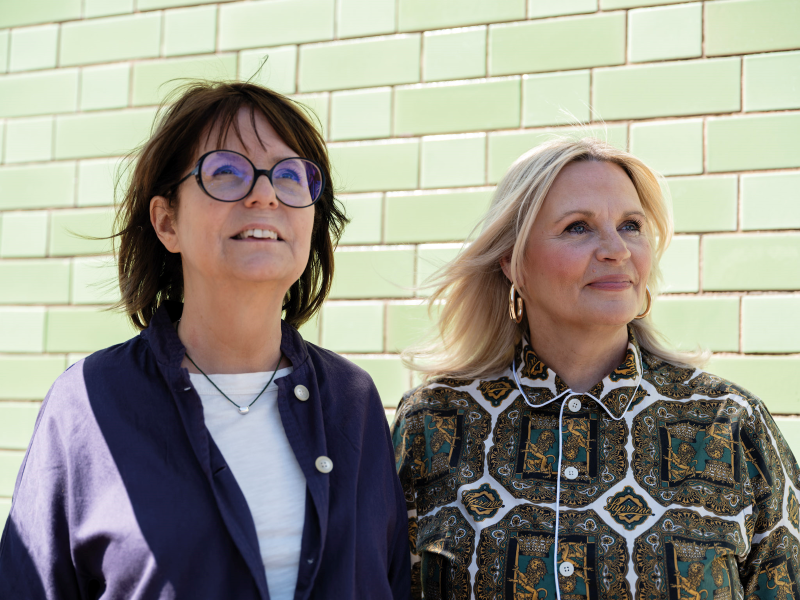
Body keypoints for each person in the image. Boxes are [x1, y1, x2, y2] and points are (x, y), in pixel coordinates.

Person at [0, 81, 410, 600]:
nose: (264, 193)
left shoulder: (353, 400)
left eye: (289, 176)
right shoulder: (86, 403)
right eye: (226, 172)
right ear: (167, 222)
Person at [392, 137, 800, 599]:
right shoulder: (434, 422)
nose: (616, 249)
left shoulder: (731, 423)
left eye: (631, 225)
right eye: (577, 227)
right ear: (512, 262)